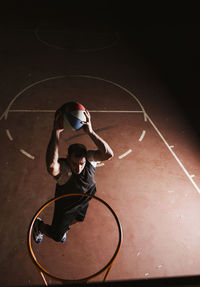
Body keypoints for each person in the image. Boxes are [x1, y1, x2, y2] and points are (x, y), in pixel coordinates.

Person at [33, 109, 114, 243]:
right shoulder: (64, 170)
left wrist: (90, 132)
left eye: (81, 163)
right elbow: (51, 166)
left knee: (78, 219)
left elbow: (108, 154)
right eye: (74, 163)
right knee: (57, 236)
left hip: (86, 196)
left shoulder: (89, 159)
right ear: (68, 159)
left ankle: (63, 228)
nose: (78, 167)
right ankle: (40, 226)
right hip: (66, 205)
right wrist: (56, 132)